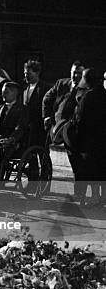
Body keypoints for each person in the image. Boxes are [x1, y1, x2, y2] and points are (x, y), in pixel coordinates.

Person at [42, 60, 85, 198]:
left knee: (75, 160)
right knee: (44, 154)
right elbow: (47, 98)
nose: (76, 76)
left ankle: (79, 193)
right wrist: (47, 117)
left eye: (79, 73)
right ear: (70, 72)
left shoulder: (86, 88)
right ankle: (44, 185)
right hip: (55, 124)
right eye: (74, 73)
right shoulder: (62, 83)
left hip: (72, 129)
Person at [70, 68, 106, 206]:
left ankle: (95, 197)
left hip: (89, 140)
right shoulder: (104, 94)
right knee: (101, 169)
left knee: (91, 169)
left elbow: (79, 119)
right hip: (102, 138)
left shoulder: (88, 97)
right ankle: (101, 197)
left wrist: (76, 138)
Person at [0, 82, 29, 180]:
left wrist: (11, 139)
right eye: (2, 92)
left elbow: (20, 128)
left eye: (6, 92)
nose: (3, 95)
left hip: (12, 142)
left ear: (15, 94)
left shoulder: (22, 109)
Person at [22, 60, 50, 147]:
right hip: (28, 128)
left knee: (42, 153)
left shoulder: (44, 88)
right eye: (25, 73)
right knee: (29, 154)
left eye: (29, 74)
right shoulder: (25, 89)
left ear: (37, 73)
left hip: (40, 127)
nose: (26, 76)